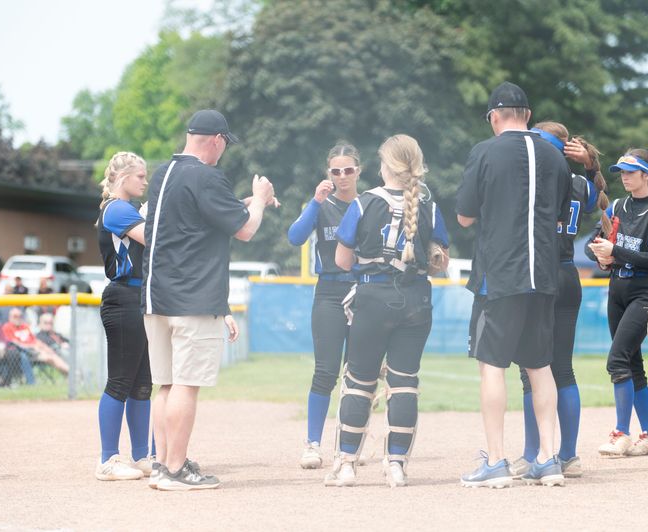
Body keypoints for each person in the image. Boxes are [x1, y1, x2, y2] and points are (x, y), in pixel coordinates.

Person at [142, 109, 275, 491]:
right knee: (186, 383)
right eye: (223, 144)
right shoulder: (208, 176)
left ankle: (163, 463)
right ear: (216, 141)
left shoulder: (163, 174)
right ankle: (176, 469)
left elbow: (194, 217)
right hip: (193, 298)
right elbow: (247, 228)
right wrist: (261, 200)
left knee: (165, 384)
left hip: (157, 297)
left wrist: (244, 202)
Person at [457, 82, 571, 488]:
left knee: (492, 366)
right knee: (540, 367)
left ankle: (496, 461)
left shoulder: (485, 151)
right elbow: (560, 216)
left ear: (494, 116)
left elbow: (466, 217)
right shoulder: (555, 156)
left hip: (500, 276)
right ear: (528, 113)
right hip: (544, 275)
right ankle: (548, 457)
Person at [325, 133, 449, 488]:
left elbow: (342, 260)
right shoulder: (429, 204)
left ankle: (347, 463)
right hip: (416, 301)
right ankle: (396, 465)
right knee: (404, 382)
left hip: (373, 297)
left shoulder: (364, 202)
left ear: (387, 166)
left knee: (359, 380)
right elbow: (440, 258)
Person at [512, 122, 609, 479]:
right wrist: (591, 166)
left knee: (531, 370)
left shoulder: (536, 178)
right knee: (562, 369)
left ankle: (532, 453)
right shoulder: (582, 183)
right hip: (569, 275)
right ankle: (568, 455)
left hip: (540, 277)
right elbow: (600, 200)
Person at [586, 149, 648, 457]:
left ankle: (621, 433)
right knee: (633, 364)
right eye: (621, 171)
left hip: (642, 292)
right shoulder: (618, 206)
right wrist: (598, 252)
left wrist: (615, 251)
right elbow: (592, 244)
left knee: (617, 361)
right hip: (617, 290)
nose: (624, 175)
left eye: (630, 171)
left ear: (646, 175)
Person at [287, 142, 360, 469]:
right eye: (336, 171)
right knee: (326, 371)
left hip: (364, 293)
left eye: (348, 170)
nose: (342, 176)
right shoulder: (322, 205)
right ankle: (312, 444)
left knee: (359, 374)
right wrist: (315, 202)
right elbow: (295, 237)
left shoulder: (369, 203)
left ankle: (349, 444)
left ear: (359, 171)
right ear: (327, 174)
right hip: (329, 292)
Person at [94, 151, 154, 482]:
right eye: (140, 176)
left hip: (139, 297)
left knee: (142, 383)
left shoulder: (129, 209)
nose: (144, 181)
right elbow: (152, 238)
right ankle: (107, 459)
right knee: (120, 380)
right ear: (122, 178)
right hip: (123, 297)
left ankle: (142, 455)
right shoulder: (117, 208)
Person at [1, 307, 69, 375]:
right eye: (15, 316)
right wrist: (32, 346)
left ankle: (70, 374)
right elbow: (15, 343)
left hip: (35, 350)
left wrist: (46, 348)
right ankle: (71, 373)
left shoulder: (24, 326)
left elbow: (35, 340)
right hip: (25, 352)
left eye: (20, 316)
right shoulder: (7, 327)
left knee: (52, 355)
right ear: (10, 317)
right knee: (50, 358)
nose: (18, 318)